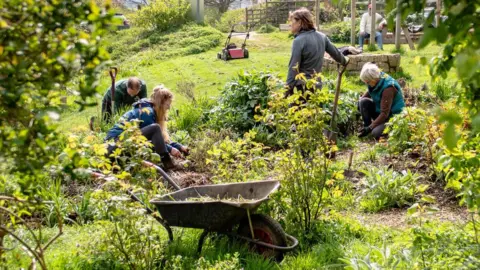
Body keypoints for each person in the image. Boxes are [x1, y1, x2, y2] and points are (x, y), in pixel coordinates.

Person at [105, 85, 189, 170]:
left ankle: (168, 165)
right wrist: (171, 150)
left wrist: (179, 147)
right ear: (161, 103)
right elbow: (152, 141)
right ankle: (169, 165)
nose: (169, 108)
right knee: (155, 128)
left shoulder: (149, 111)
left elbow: (158, 141)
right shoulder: (147, 112)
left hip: (121, 145)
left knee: (155, 129)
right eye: (168, 104)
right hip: (113, 147)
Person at [286, 8, 349, 98]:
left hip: (304, 86)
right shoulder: (322, 37)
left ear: (299, 22)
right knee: (314, 109)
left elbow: (293, 67)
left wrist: (287, 89)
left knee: (301, 110)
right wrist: (345, 60)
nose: (290, 24)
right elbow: (336, 54)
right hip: (317, 84)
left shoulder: (298, 41)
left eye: (292, 21)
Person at [358, 62, 405, 139]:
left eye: (367, 82)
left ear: (373, 79)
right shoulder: (378, 77)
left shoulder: (388, 89)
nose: (367, 84)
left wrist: (370, 128)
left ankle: (371, 129)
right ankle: (366, 128)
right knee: (363, 102)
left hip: (393, 117)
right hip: (381, 110)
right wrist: (360, 101)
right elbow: (370, 91)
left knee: (375, 133)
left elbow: (384, 114)